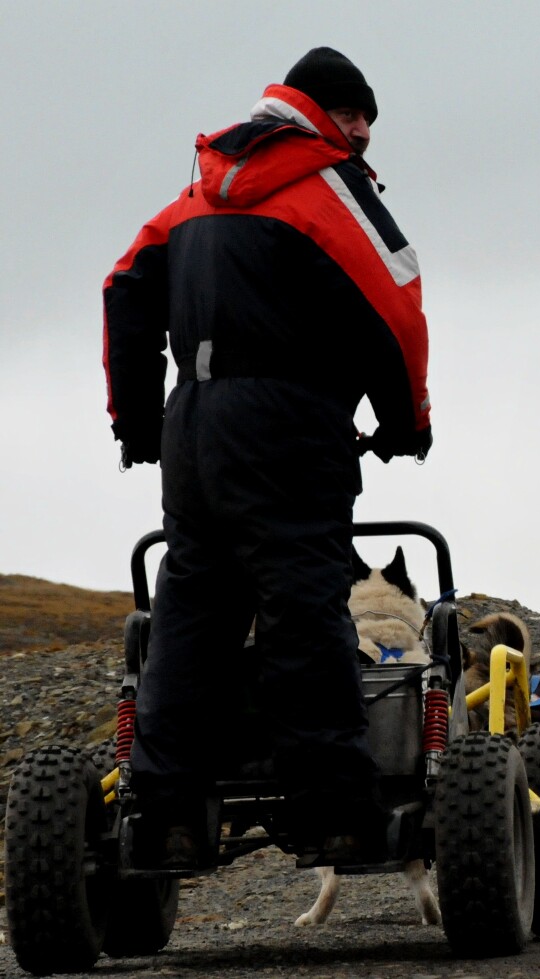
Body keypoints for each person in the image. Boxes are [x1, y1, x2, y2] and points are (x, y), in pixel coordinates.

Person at [102, 47, 432, 866]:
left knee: (192, 610)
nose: (362, 135)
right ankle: (335, 813)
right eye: (358, 118)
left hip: (195, 423)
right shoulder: (326, 186)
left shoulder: (198, 190)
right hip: (289, 423)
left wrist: (138, 423)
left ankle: (171, 814)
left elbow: (124, 290)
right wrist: (405, 421)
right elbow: (397, 307)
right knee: (303, 605)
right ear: (328, 113)